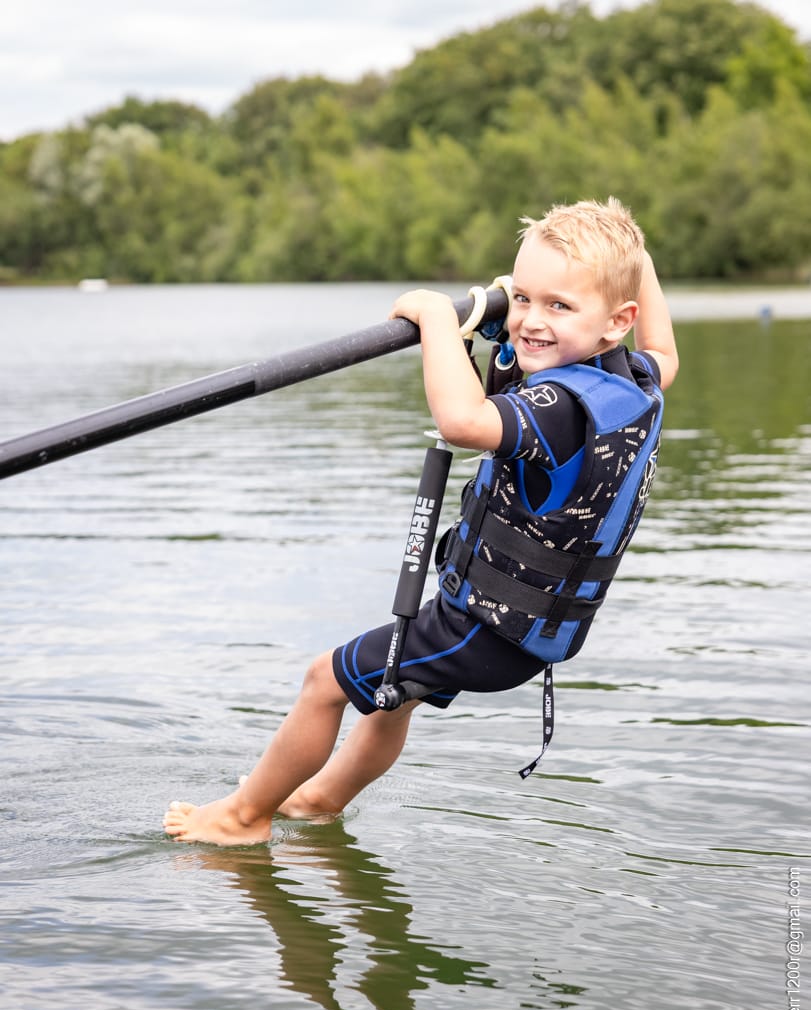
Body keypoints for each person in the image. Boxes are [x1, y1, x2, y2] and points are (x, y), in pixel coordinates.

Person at [163, 197, 679, 846]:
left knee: (324, 681)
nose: (529, 321)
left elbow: (462, 421)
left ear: (615, 320)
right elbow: (663, 347)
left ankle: (242, 819)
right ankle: (319, 798)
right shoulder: (633, 378)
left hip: (484, 632)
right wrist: (634, 252)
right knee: (394, 695)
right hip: (512, 628)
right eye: (522, 298)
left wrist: (437, 320)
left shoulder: (558, 407)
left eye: (559, 306)